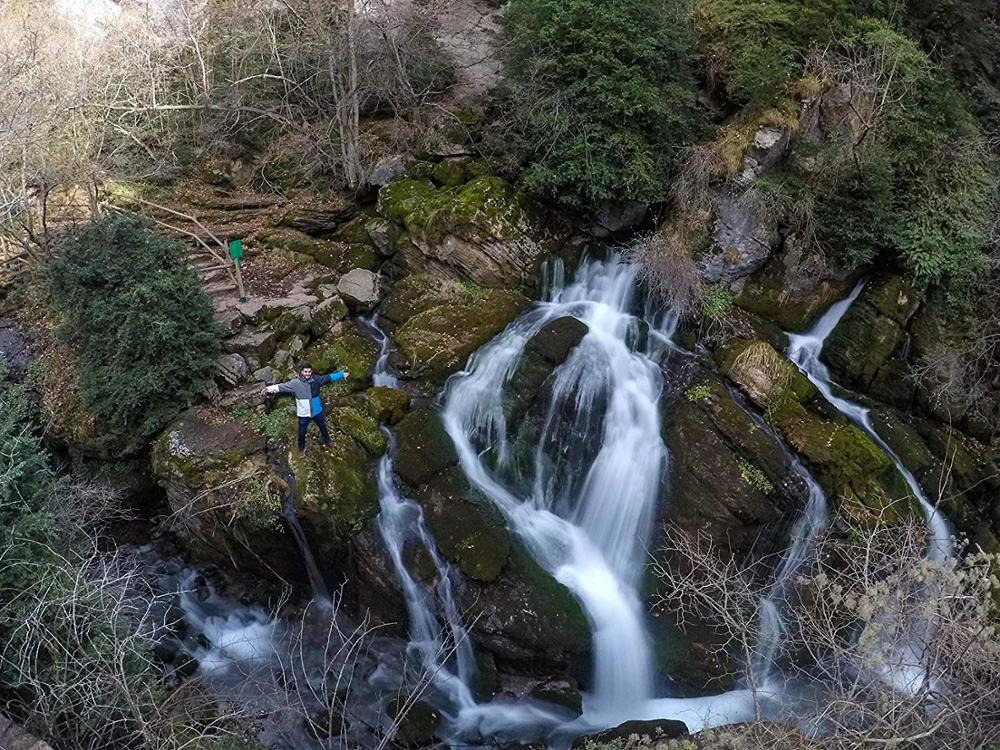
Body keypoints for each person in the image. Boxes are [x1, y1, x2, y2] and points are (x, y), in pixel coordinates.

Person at [264, 362, 349, 457]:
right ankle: (301, 448)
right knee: (301, 432)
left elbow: (329, 377)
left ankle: (328, 441)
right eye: (305, 372)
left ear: (311, 372)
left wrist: (341, 374)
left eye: (309, 371)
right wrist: (268, 389)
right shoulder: (295, 383)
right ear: (301, 372)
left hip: (317, 411)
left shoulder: (317, 380)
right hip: (304, 413)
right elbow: (281, 387)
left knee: (323, 427)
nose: (307, 373)